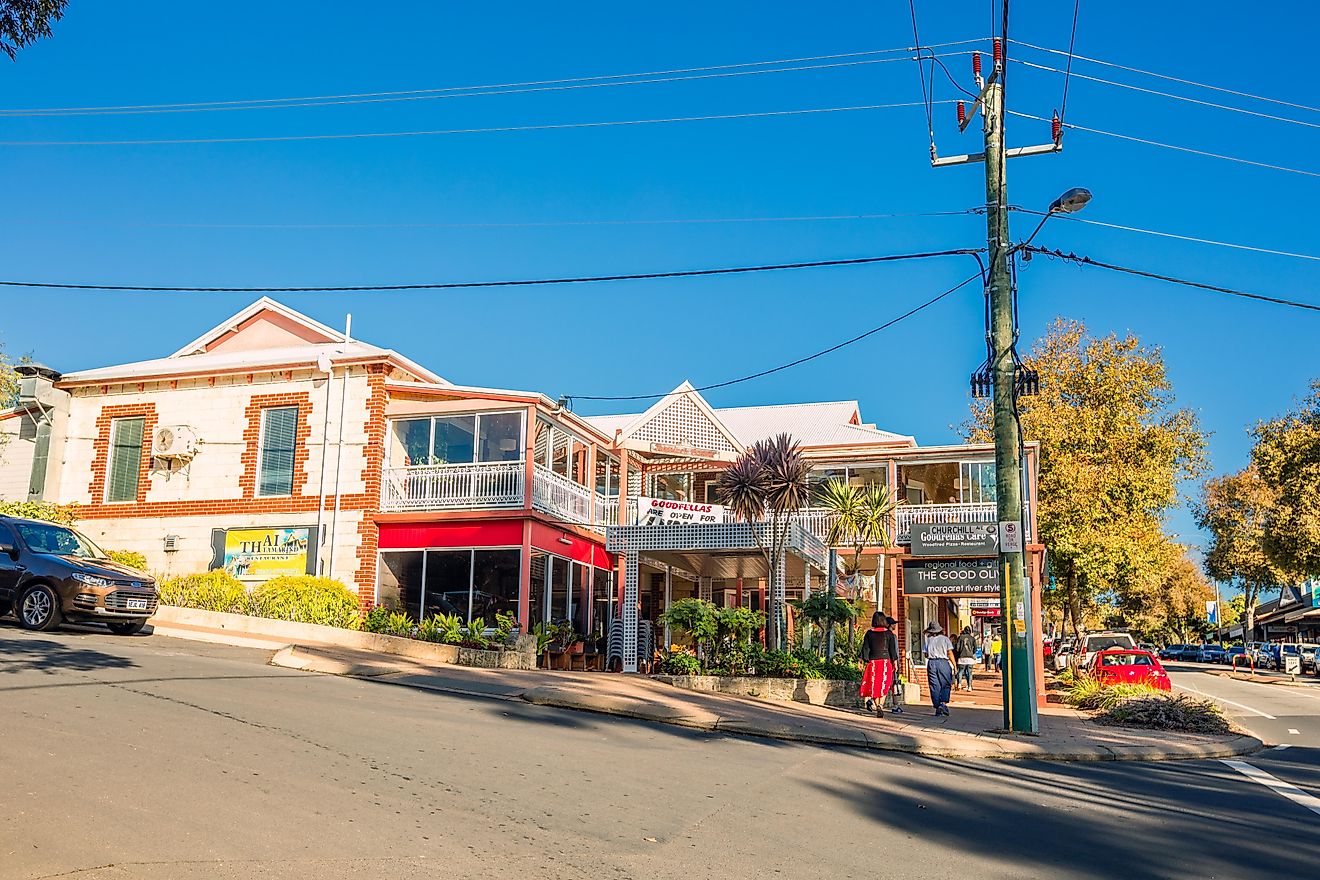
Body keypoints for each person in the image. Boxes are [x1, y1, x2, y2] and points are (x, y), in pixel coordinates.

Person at [859, 612, 898, 717]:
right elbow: (892, 650)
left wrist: (862, 660)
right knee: (884, 684)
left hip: (873, 661)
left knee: (874, 684)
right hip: (886, 661)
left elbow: (865, 648)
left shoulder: (869, 633)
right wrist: (895, 662)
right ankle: (881, 704)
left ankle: (877, 706)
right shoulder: (889, 634)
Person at [923, 622, 956, 716]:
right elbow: (949, 653)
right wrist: (954, 665)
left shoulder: (928, 640)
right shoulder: (945, 639)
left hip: (932, 663)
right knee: (945, 683)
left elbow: (925, 654)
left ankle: (937, 706)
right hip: (943, 662)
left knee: (934, 685)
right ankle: (943, 703)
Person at [955, 625, 978, 691]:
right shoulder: (972, 638)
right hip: (970, 657)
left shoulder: (960, 637)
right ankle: (969, 686)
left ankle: (959, 684)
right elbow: (975, 648)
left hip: (962, 657)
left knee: (960, 671)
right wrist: (972, 653)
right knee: (969, 672)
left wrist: (959, 653)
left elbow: (957, 648)